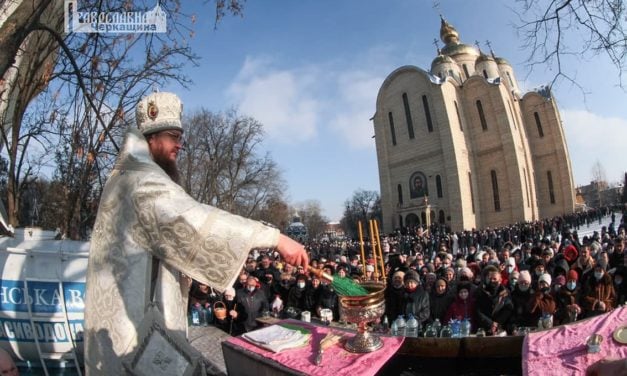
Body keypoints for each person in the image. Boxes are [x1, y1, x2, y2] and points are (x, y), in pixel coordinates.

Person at [83, 92, 308, 374]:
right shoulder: (140, 183)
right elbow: (193, 221)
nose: (179, 144)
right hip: (135, 338)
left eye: (181, 136)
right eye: (173, 136)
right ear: (151, 138)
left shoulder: (128, 177)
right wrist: (275, 238)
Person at [476, 265, 513, 335]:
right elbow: (478, 311)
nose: (492, 281)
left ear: (499, 280)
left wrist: (496, 324)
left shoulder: (505, 292)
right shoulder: (480, 292)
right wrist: (490, 324)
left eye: (494, 279)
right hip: (484, 327)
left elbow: (508, 308)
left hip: (500, 327)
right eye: (490, 279)